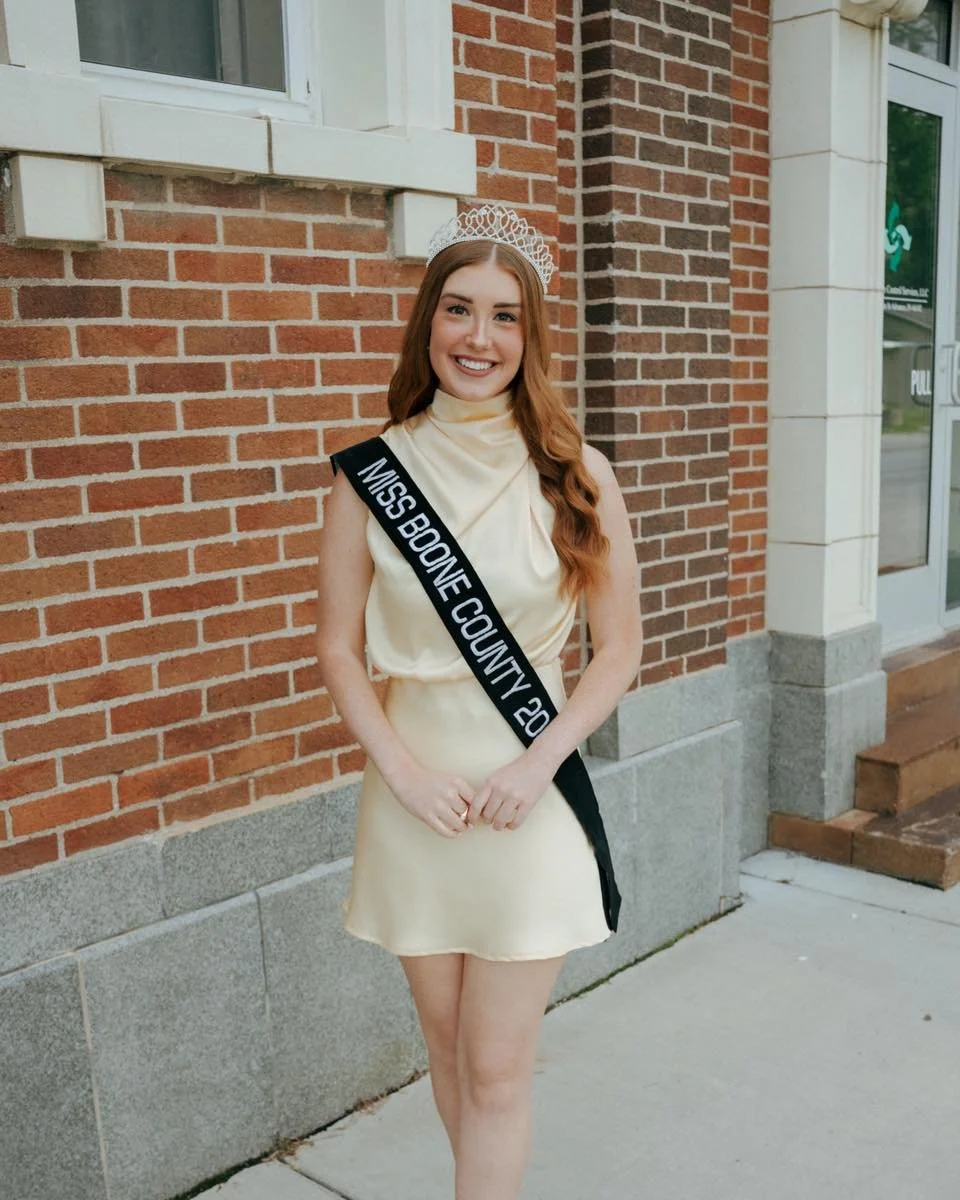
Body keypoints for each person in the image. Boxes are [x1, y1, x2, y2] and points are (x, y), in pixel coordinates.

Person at [315, 205, 643, 1200]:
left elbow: (618, 649)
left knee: (498, 1069)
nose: (478, 337)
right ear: (428, 323)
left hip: (524, 796)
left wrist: (540, 761)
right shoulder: (373, 476)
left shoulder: (576, 475)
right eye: (459, 310)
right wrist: (404, 775)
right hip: (415, 797)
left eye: (505, 317)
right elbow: (335, 646)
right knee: (450, 1050)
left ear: (529, 338)